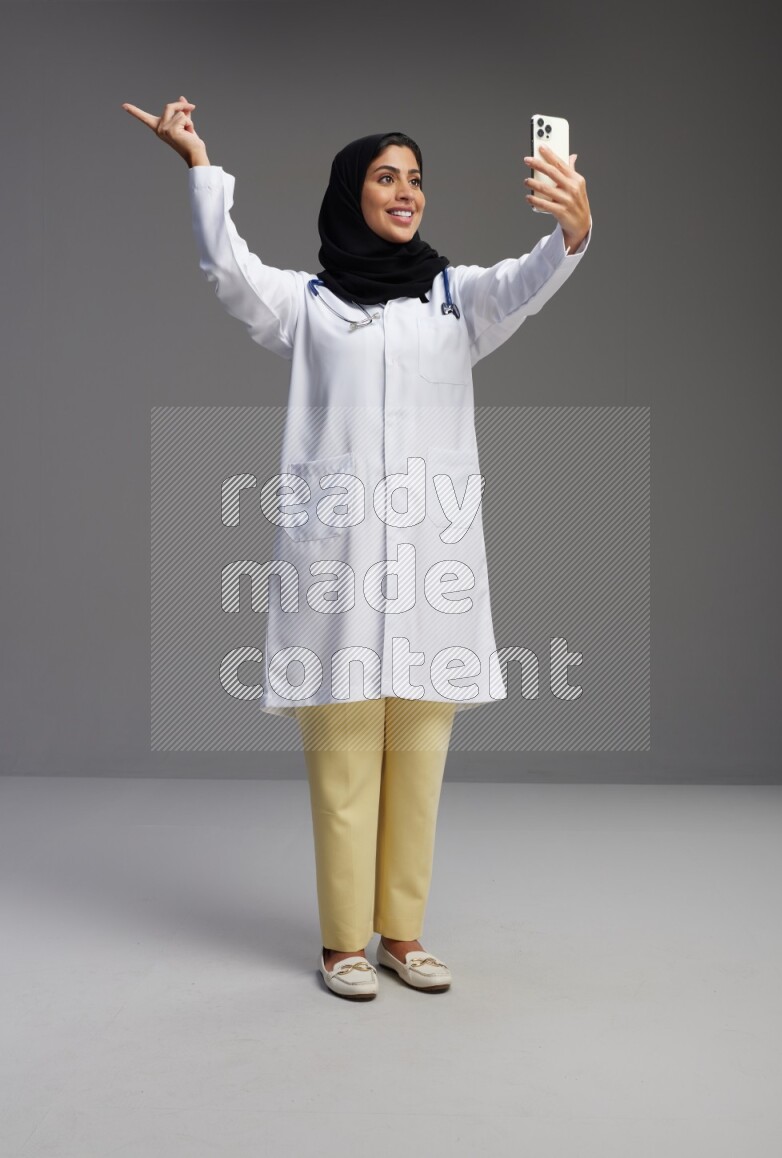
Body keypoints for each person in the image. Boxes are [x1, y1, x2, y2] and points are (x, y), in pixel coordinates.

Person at [122, 95, 592, 1000]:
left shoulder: (456, 300)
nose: (405, 191)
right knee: (343, 766)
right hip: (337, 573)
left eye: (415, 178)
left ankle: (402, 935)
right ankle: (343, 943)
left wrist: (571, 234)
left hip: (429, 576)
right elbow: (228, 270)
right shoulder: (309, 306)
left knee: (417, 765)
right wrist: (198, 166)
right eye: (386, 177)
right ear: (352, 193)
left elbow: (526, 283)